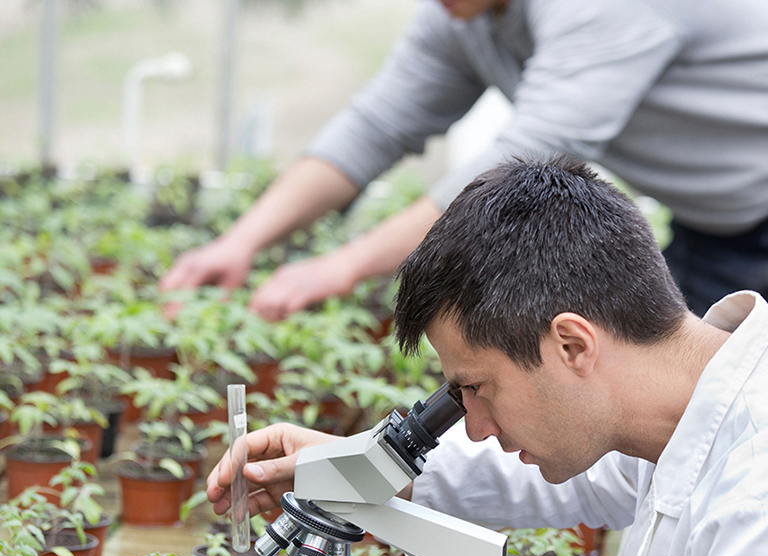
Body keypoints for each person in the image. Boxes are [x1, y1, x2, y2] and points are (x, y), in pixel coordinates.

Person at [208, 156, 768, 556]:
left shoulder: (754, 503)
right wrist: (357, 465)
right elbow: (587, 480)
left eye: (476, 387)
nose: (473, 426)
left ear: (572, 344)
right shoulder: (675, 411)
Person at [161, 0, 768, 320]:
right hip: (717, 226)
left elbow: (523, 161)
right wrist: (240, 242)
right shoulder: (465, 13)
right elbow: (377, 124)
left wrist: (342, 266)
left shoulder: (603, 7)